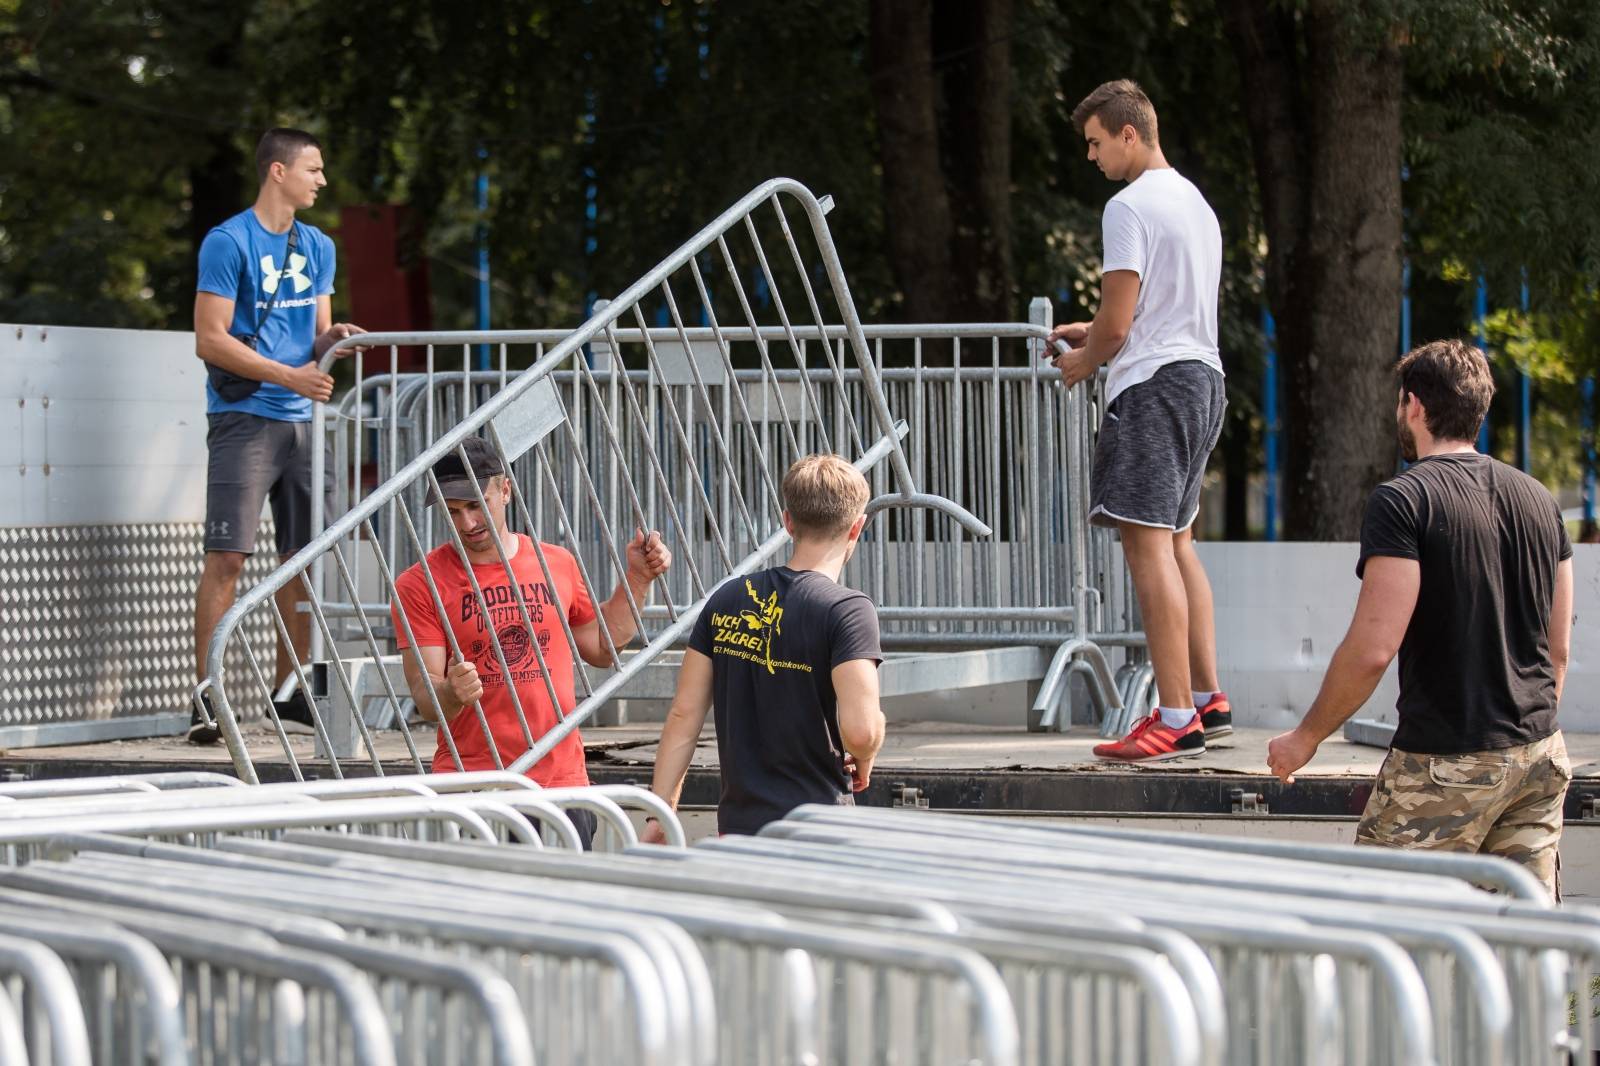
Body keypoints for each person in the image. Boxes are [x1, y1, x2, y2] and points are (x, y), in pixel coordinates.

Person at [1267, 340, 1573, 900]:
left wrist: (1305, 738)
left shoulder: (1403, 501)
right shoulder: (1540, 500)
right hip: (1539, 756)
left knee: (1384, 933)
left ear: (1412, 405)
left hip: (1445, 762)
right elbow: (1558, 651)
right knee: (1527, 948)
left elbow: (1373, 648)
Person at [1048, 79, 1231, 761]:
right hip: (1202, 379)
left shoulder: (1127, 206)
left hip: (1153, 389)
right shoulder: (1195, 202)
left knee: (1147, 548)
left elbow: (1120, 329)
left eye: (1096, 143)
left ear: (1130, 132)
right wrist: (1093, 332)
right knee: (1179, 545)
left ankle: (1175, 716)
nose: (1091, 156)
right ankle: (1210, 699)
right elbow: (1154, 311)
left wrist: (1082, 360)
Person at [390, 436, 671, 848]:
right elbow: (425, 696)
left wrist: (638, 580)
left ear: (505, 489)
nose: (467, 523)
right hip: (474, 785)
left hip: (560, 784)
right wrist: (451, 691)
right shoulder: (418, 583)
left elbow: (602, 647)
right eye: (453, 512)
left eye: (475, 504)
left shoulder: (556, 561)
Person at [190, 128, 366, 744]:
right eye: (313, 169)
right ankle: (207, 701)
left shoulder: (317, 245)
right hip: (244, 420)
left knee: (306, 560)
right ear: (277, 172)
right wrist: (287, 373)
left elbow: (315, 337)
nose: (321, 180)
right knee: (229, 558)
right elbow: (210, 339)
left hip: (303, 421)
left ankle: (290, 695)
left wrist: (331, 339)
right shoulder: (228, 241)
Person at [642, 454, 885, 842]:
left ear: (788, 522)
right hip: (818, 832)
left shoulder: (727, 599)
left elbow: (683, 714)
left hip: (739, 832)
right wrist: (868, 750)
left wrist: (661, 813)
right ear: (857, 527)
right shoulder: (848, 611)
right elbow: (860, 731)